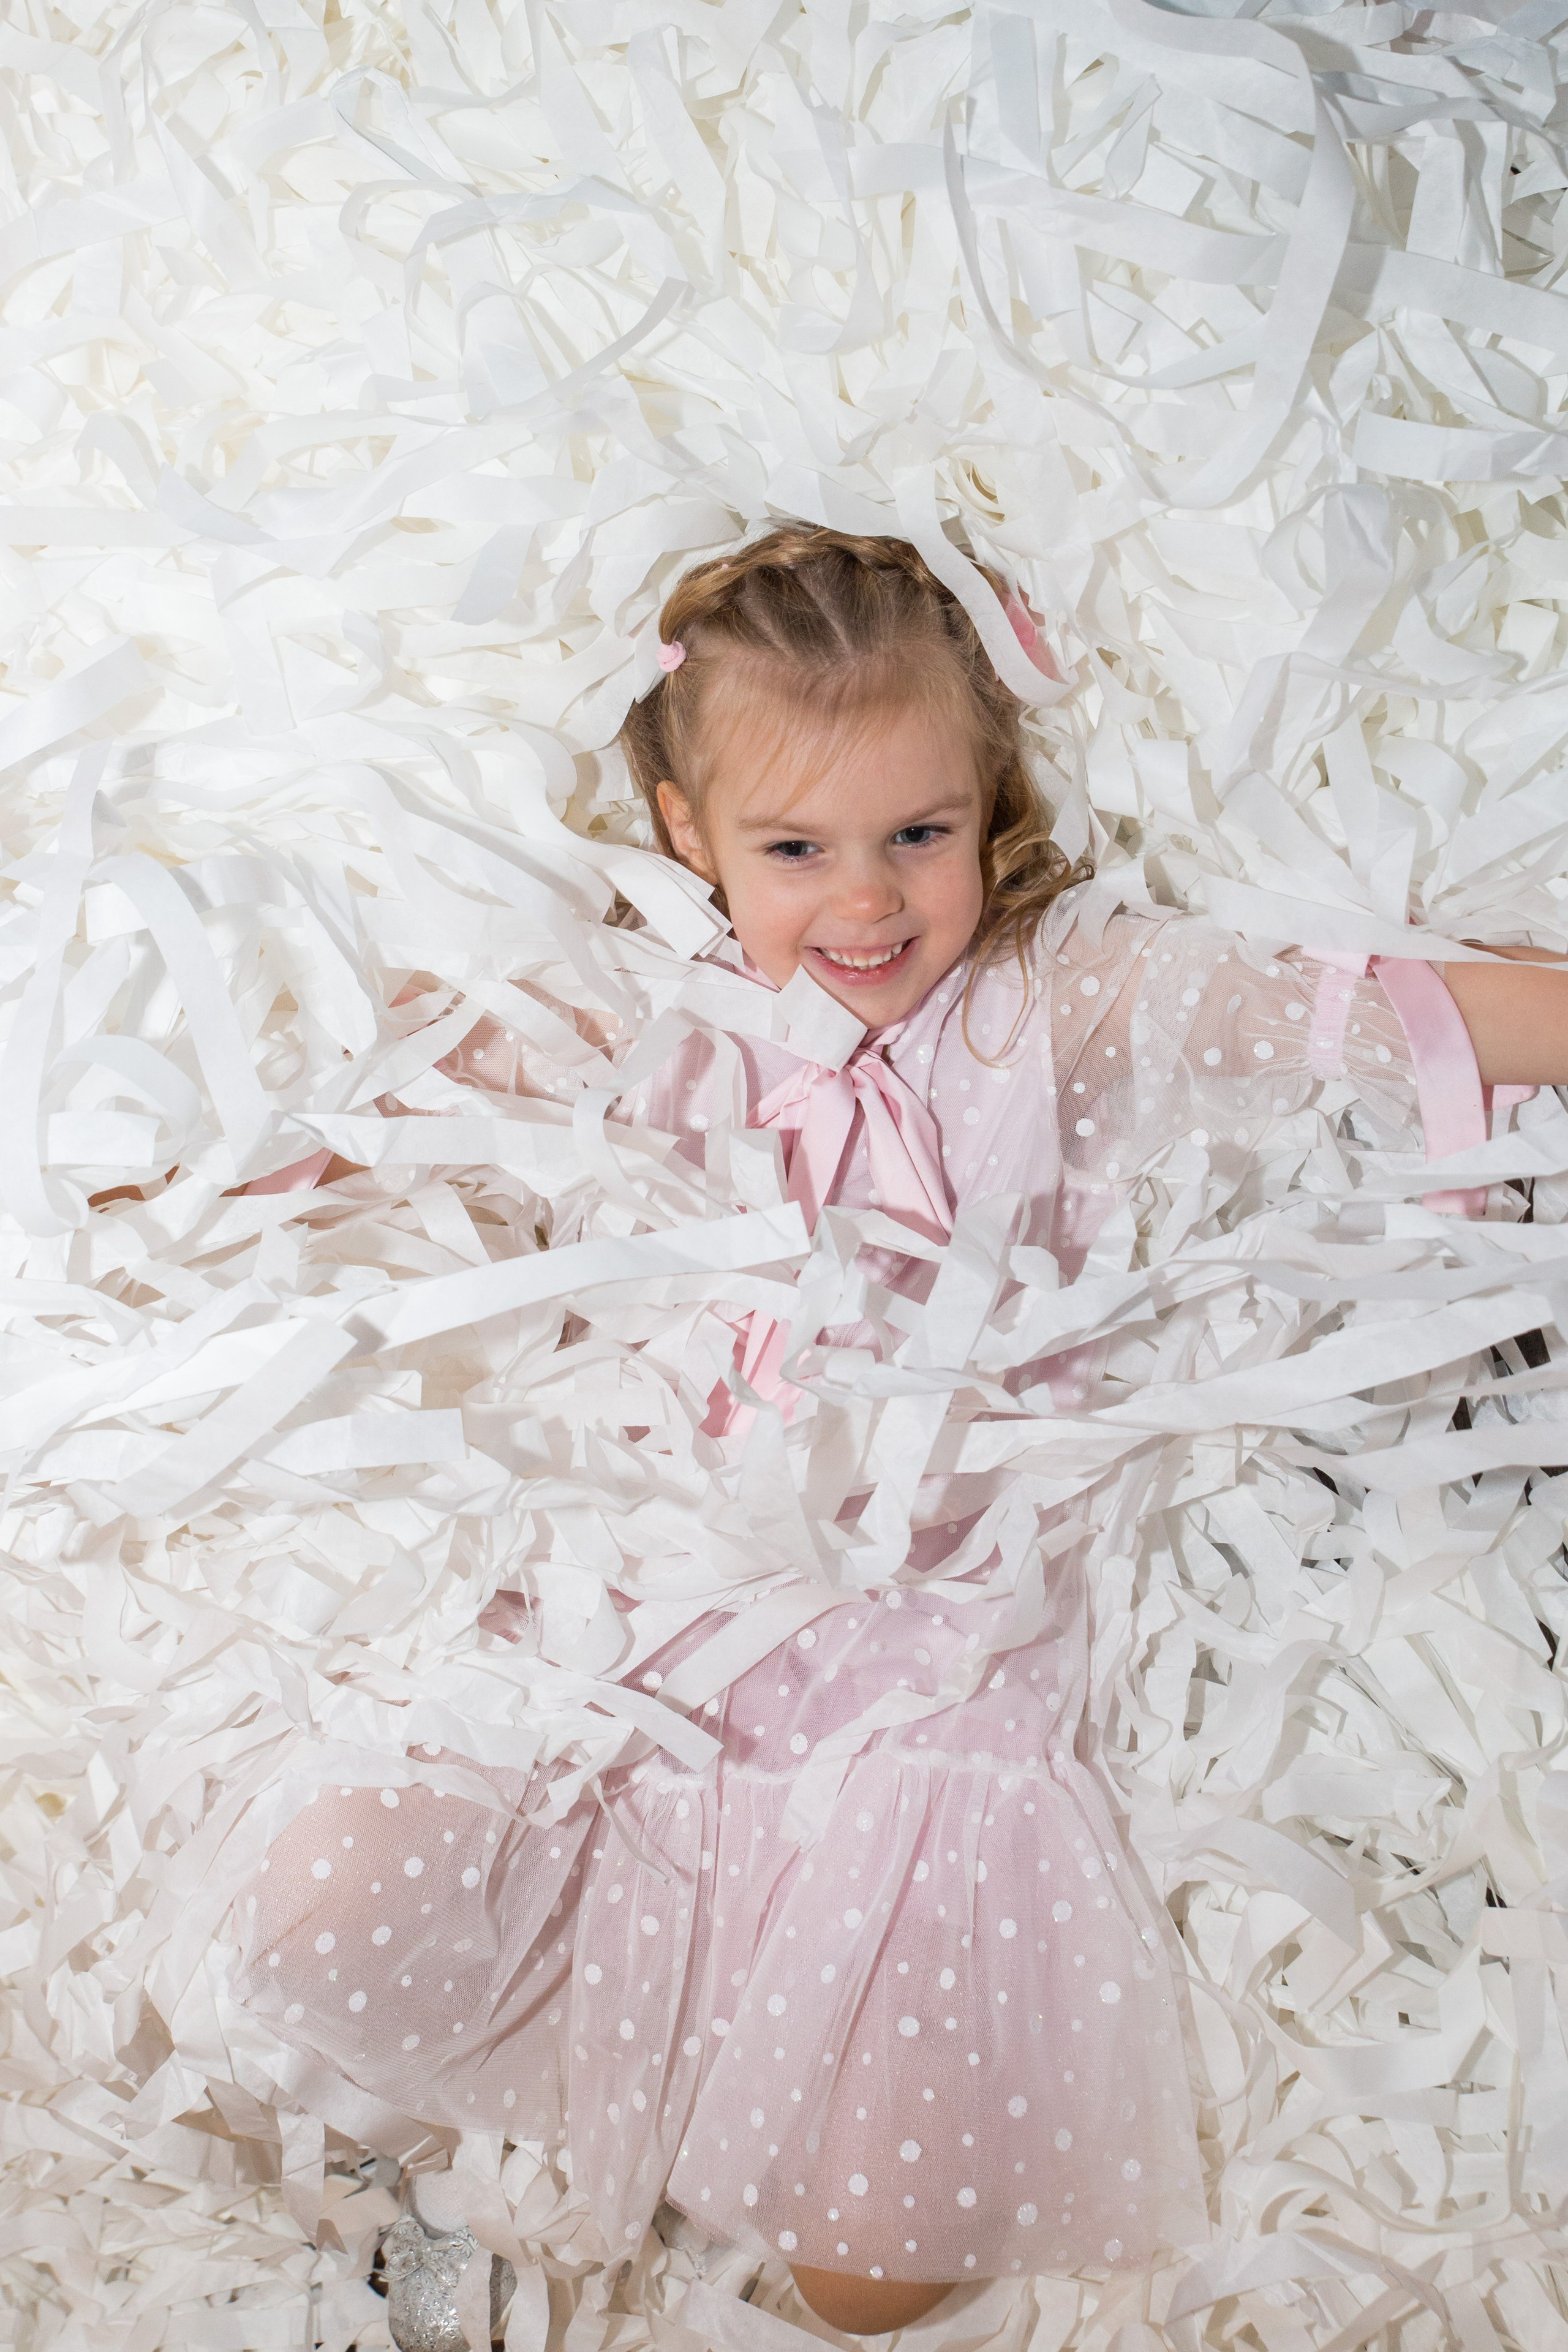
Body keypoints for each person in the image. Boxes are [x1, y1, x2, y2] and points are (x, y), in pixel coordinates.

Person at [228, 526, 1566, 2337]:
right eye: (795, 851)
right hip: (641, 1660)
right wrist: (185, 1181)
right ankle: (548, 2171)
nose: (866, 905)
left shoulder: (1065, 1009)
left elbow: (1379, 1014)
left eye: (917, 835)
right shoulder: (652, 1013)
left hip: (926, 1710)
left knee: (871, 2281)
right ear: (691, 833)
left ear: (989, 795)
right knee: (322, 1919)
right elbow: (393, 1110)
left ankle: (691, 2163)